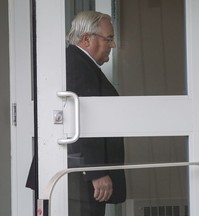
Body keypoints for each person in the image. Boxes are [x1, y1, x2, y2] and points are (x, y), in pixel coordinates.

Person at [65, 11, 126, 216]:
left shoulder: (82, 64)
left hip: (80, 176)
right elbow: (78, 120)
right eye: (109, 38)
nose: (113, 45)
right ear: (86, 39)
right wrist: (96, 172)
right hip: (79, 177)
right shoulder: (75, 65)